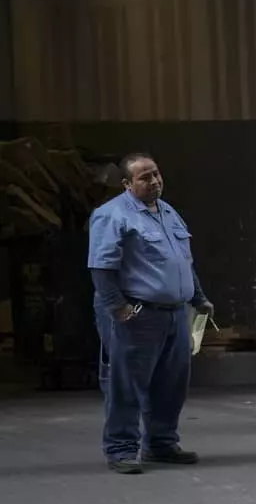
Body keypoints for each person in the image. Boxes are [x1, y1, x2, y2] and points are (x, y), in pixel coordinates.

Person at [87, 153, 214, 474]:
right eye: (145, 178)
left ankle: (161, 444)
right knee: (126, 384)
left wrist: (198, 297)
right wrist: (118, 307)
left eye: (156, 174)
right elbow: (101, 267)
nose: (154, 181)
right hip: (136, 313)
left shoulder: (167, 212)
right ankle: (121, 448)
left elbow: (182, 260)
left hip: (174, 313)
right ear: (127, 184)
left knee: (171, 384)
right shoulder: (111, 215)